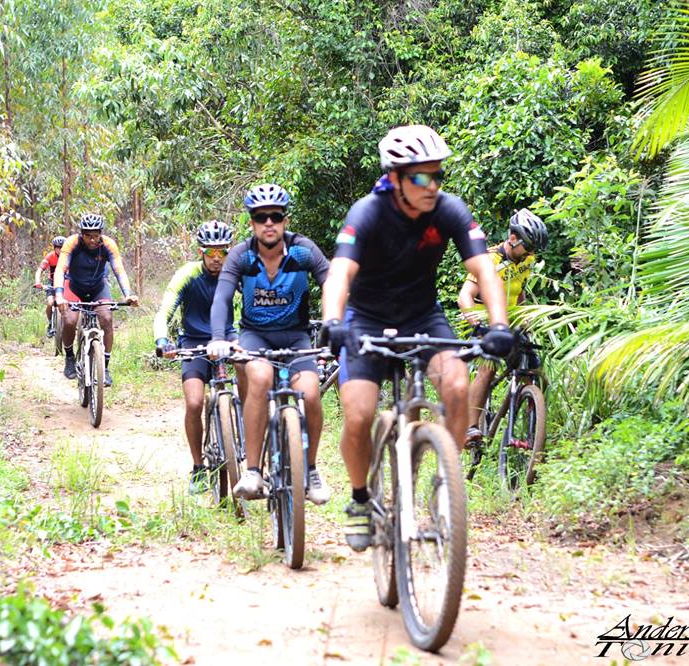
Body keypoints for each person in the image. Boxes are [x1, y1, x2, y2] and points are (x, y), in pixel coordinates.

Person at [319, 125, 515, 551]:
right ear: (394, 178)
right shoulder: (367, 213)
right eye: (421, 177)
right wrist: (333, 320)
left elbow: (485, 270)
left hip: (422, 317)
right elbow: (339, 275)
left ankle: (447, 481)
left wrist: (499, 326)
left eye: (437, 176)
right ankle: (359, 499)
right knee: (358, 414)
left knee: (459, 385)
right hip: (365, 319)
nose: (432, 186)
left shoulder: (449, 211)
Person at [207, 184, 331, 505]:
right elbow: (221, 298)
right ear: (252, 223)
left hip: (296, 337)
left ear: (285, 220)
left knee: (312, 392)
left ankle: (312, 469)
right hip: (255, 336)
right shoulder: (241, 255)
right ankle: (252, 470)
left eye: (275, 216)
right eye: (261, 218)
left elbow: (331, 282)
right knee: (259, 379)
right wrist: (219, 338)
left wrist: (336, 327)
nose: (269, 223)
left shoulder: (303, 251)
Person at [153, 220, 239, 494]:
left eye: (223, 252)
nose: (217, 258)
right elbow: (165, 309)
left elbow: (254, 300)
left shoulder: (235, 273)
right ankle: (198, 467)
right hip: (194, 342)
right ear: (200, 252)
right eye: (211, 252)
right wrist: (161, 339)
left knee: (253, 372)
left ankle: (248, 435)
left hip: (228, 336)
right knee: (193, 403)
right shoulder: (188, 274)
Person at [458, 208, 548, 444]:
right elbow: (464, 297)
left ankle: (532, 425)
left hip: (511, 319)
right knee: (488, 367)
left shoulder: (527, 259)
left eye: (533, 249)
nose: (530, 252)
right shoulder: (488, 260)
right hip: (483, 318)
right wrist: (477, 325)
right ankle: (471, 427)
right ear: (512, 238)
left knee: (533, 368)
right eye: (527, 246)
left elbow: (519, 293)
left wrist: (526, 318)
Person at [54, 213, 139, 384]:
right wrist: (58, 295)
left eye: (95, 235)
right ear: (81, 234)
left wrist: (128, 294)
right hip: (74, 286)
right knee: (69, 320)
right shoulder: (72, 243)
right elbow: (60, 269)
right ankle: (70, 357)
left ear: (101, 233)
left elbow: (119, 270)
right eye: (88, 236)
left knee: (106, 318)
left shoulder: (108, 245)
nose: (92, 240)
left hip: (98, 287)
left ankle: (104, 368)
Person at [34, 235, 67, 337]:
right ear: (54, 248)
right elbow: (40, 270)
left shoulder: (69, 257)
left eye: (62, 247)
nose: (60, 250)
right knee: (50, 302)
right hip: (52, 283)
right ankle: (50, 323)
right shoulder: (50, 256)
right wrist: (38, 282)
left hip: (66, 283)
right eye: (58, 247)